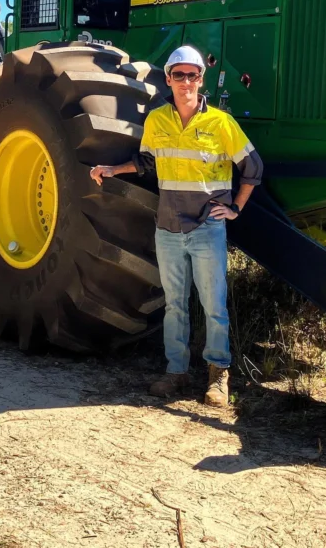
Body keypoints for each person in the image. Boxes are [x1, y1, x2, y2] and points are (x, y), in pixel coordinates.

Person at [90, 46, 263, 407]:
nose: (187, 82)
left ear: (201, 80)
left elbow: (253, 169)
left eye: (193, 75)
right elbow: (147, 162)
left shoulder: (221, 123)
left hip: (206, 229)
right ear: (168, 79)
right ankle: (176, 373)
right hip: (167, 228)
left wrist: (235, 208)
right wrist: (111, 169)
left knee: (213, 305)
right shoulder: (157, 120)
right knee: (174, 305)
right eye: (179, 75)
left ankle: (218, 376)